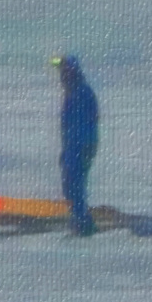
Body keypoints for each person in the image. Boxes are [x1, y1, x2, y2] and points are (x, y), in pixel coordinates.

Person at [53, 55, 99, 236]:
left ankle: (82, 223)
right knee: (70, 185)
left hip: (81, 146)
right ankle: (79, 220)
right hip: (73, 147)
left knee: (75, 184)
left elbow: (90, 121)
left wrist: (87, 146)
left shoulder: (82, 92)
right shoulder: (72, 92)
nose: (61, 75)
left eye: (64, 71)